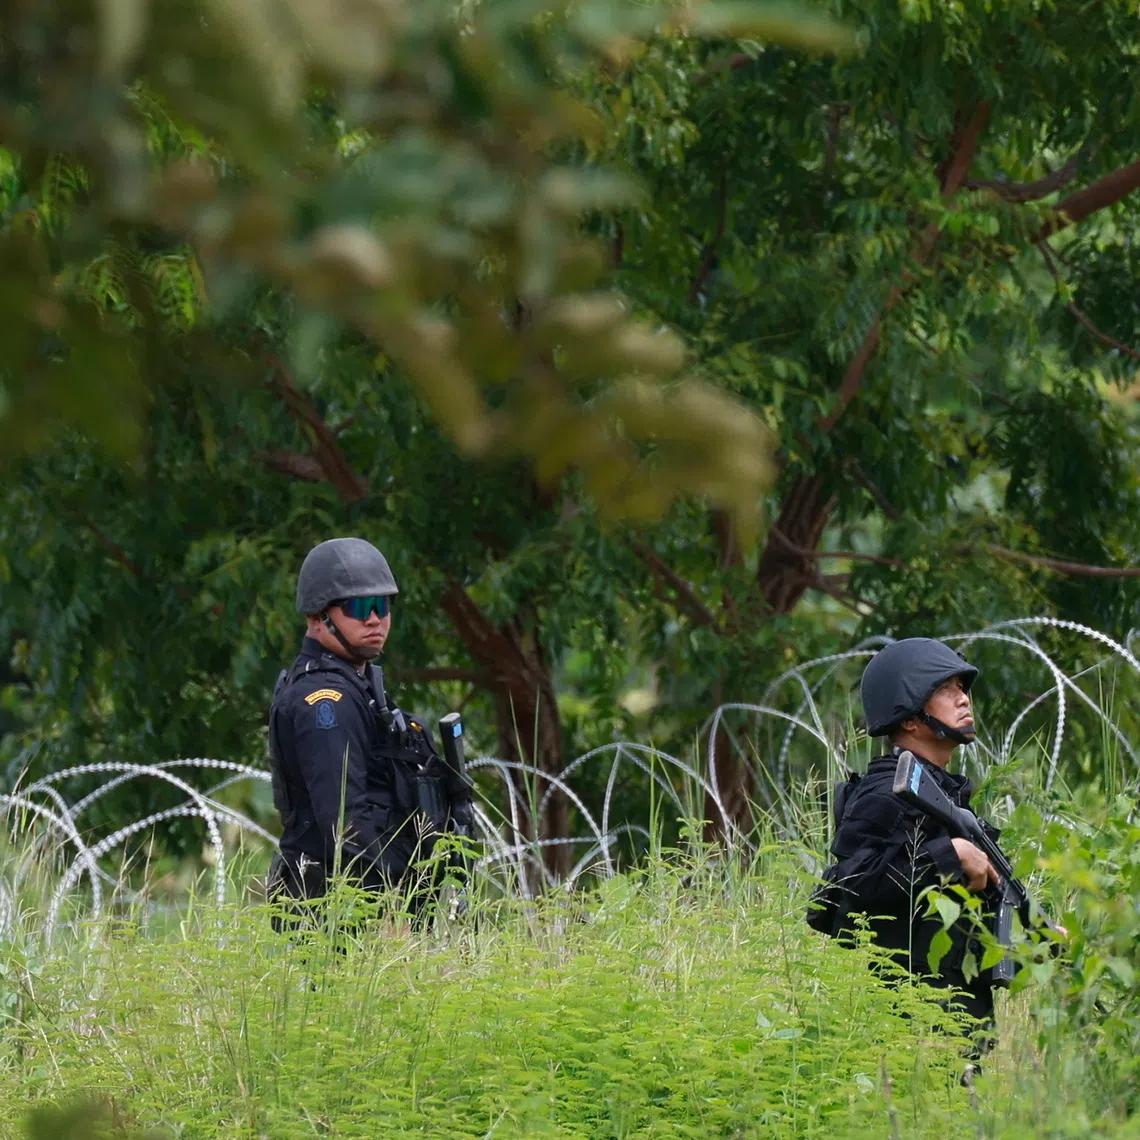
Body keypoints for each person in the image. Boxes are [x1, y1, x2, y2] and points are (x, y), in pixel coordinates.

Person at [265, 537, 473, 923]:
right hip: (338, 911)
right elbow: (344, 822)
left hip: (369, 905)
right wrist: (396, 898)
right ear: (317, 617)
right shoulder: (325, 700)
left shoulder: (359, 685)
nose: (375, 619)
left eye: (382, 606)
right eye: (359, 607)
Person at [821, 638, 1006, 1040]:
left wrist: (1039, 938)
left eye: (962, 688)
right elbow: (850, 885)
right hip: (908, 1027)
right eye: (945, 689)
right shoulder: (885, 791)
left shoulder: (948, 798)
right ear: (909, 716)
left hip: (958, 1026)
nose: (962, 699)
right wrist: (949, 853)